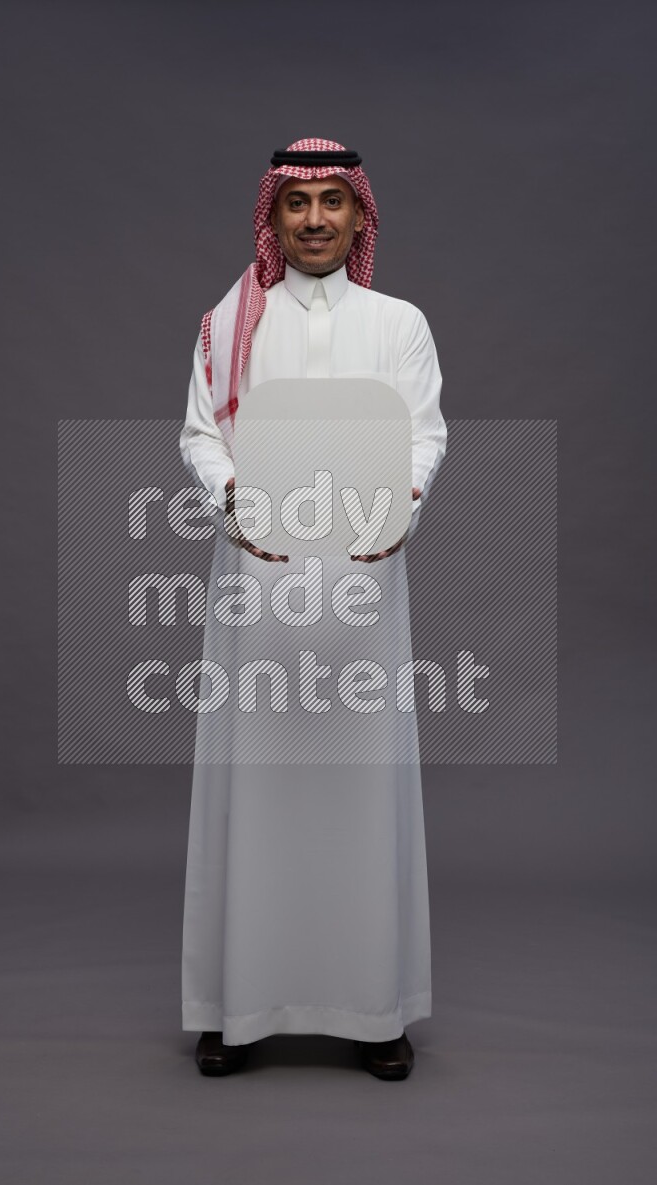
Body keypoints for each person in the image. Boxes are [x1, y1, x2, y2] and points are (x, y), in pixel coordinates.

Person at [179, 138, 447, 1079]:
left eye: (335, 201)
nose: (318, 219)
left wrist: (401, 505)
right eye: (299, 204)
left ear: (361, 216)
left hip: (365, 589)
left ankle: (375, 1011)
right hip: (259, 587)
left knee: (361, 791)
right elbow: (202, 436)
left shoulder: (399, 323)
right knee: (254, 788)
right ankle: (232, 1005)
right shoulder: (230, 320)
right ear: (275, 216)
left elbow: (424, 435)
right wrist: (237, 506)